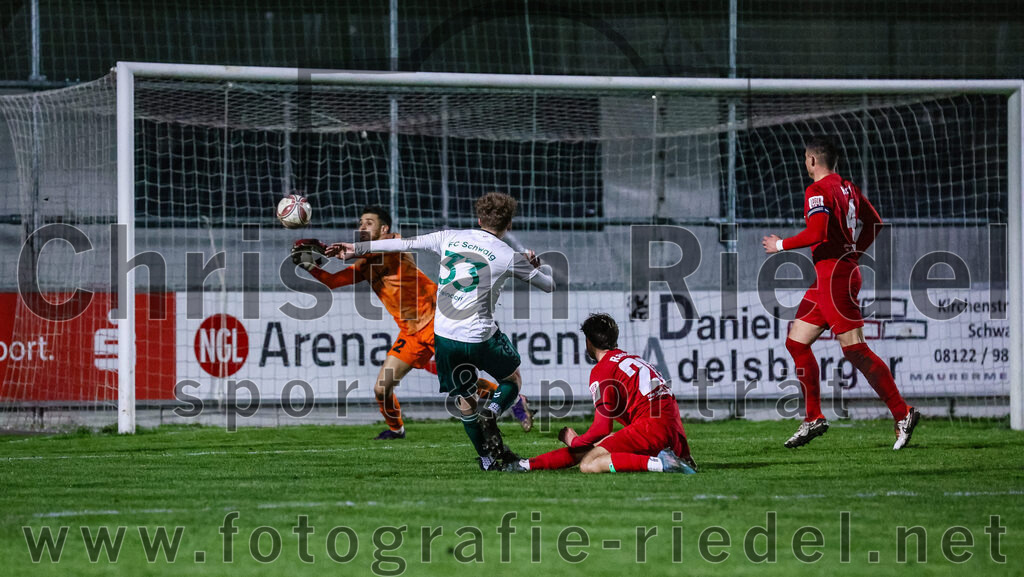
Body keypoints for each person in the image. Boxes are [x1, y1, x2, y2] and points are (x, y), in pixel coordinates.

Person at [329, 192, 554, 470]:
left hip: (444, 333)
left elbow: (406, 243)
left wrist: (354, 248)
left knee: (464, 400)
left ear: (479, 218)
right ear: (509, 225)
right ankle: (495, 410)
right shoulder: (509, 255)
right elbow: (549, 286)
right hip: (479, 334)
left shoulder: (449, 237)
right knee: (512, 378)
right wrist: (535, 264)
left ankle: (486, 460)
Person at [291, 205, 533, 440]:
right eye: (360, 222)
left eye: (369, 222)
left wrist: (324, 250)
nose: (362, 226)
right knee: (381, 388)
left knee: (463, 381)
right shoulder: (365, 264)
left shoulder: (394, 245)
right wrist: (309, 265)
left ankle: (515, 401)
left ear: (385, 229)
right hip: (410, 333)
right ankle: (397, 430)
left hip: (437, 323)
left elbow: (375, 249)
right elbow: (333, 281)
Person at [762, 136, 921, 450]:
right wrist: (853, 253)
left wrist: (780, 245)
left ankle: (903, 412)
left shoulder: (817, 191)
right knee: (796, 342)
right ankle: (813, 418)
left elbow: (817, 233)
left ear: (812, 161)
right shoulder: (848, 188)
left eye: (805, 160)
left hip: (834, 277)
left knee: (855, 350)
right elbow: (874, 223)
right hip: (832, 276)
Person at [505, 313, 697, 474]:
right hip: (670, 431)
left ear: (588, 341)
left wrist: (574, 441)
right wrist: (685, 452)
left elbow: (602, 427)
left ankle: (660, 464)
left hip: (650, 429)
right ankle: (526, 464)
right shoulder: (634, 359)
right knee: (599, 444)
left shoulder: (603, 370)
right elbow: (668, 403)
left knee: (589, 463)